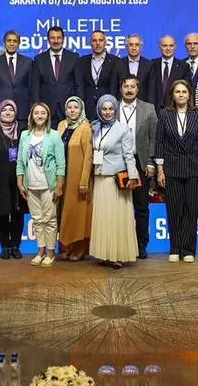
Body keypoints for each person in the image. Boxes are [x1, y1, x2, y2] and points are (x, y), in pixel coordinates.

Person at [155, 80, 198, 263]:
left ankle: (188, 250)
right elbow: (159, 142)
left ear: (189, 95)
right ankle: (175, 248)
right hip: (172, 169)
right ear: (172, 95)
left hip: (194, 169)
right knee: (174, 210)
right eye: (177, 92)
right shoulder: (165, 114)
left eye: (184, 92)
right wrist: (160, 170)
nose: (181, 95)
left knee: (191, 211)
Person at [88, 94, 140, 268]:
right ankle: (104, 254)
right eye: (104, 109)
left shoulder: (123, 129)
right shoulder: (94, 127)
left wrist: (133, 177)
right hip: (99, 178)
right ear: (99, 110)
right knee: (102, 219)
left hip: (115, 180)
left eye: (111, 109)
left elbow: (129, 155)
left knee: (116, 219)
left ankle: (118, 255)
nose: (107, 112)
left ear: (115, 110)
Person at [17, 102, 66, 266]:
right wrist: (20, 182)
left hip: (48, 185)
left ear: (48, 116)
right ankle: (41, 251)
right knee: (37, 220)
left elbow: (61, 164)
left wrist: (59, 186)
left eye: (43, 113)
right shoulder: (25, 135)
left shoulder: (54, 136)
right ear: (31, 116)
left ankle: (51, 253)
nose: (39, 116)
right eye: (36, 113)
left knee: (50, 220)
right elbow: (20, 161)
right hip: (31, 185)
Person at [0, 100, 28, 260]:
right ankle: (5, 246)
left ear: (16, 113)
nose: (7, 113)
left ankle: (15, 246)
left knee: (18, 213)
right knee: (1, 213)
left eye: (11, 110)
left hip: (19, 180)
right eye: (4, 110)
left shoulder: (23, 132)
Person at [118, 74, 157, 259]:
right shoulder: (112, 108)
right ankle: (120, 244)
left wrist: (151, 162)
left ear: (138, 89)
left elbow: (154, 138)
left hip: (140, 163)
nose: (129, 90)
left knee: (141, 206)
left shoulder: (148, 109)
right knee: (119, 206)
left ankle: (141, 244)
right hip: (118, 164)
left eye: (132, 86)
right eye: (126, 86)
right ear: (121, 88)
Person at [58, 95, 95, 261]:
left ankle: (79, 248)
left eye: (76, 107)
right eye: (69, 107)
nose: (72, 110)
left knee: (78, 214)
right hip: (62, 177)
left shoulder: (85, 127)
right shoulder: (61, 125)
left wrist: (84, 181)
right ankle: (66, 246)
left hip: (78, 178)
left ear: (81, 109)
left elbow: (88, 156)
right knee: (65, 213)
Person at [32, 26, 79, 122]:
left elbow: (78, 84)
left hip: (69, 110)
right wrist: (37, 109)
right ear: (48, 40)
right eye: (52, 38)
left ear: (63, 39)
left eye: (59, 38)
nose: (56, 41)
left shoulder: (74, 58)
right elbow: (35, 87)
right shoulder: (39, 59)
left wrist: (79, 106)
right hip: (47, 111)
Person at [0, 30, 33, 126]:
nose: (12, 44)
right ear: (4, 43)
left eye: (15, 41)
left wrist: (32, 112)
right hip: (1, 113)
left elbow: (32, 90)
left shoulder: (28, 62)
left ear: (19, 43)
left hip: (23, 114)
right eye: (9, 41)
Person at [77, 30, 122, 119]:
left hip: (108, 108)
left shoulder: (116, 61)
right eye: (94, 40)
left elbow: (118, 87)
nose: (98, 43)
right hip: (87, 109)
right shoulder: (82, 61)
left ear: (105, 42)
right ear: (90, 43)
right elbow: (79, 85)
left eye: (100, 40)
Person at [145, 35, 191, 107]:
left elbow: (186, 90)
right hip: (153, 109)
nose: (168, 48)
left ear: (175, 47)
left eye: (171, 46)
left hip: (174, 108)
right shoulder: (151, 64)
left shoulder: (184, 67)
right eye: (165, 45)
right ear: (160, 47)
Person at [121, 34, 155, 101]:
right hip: (122, 104)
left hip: (143, 104)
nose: (134, 48)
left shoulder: (149, 65)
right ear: (126, 47)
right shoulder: (118, 64)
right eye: (131, 45)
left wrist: (149, 106)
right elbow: (114, 88)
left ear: (141, 47)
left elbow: (151, 90)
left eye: (137, 45)